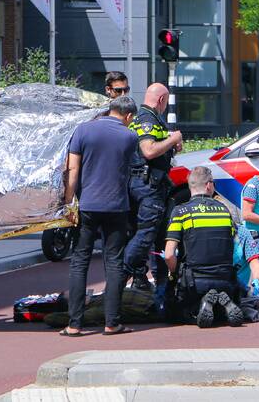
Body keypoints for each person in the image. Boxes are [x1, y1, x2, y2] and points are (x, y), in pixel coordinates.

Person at [61, 95, 139, 337]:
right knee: (113, 262)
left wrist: (68, 202)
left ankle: (74, 324)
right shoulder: (129, 136)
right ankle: (112, 323)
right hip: (117, 206)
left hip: (87, 205)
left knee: (79, 261)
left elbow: (72, 169)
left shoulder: (83, 130)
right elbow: (132, 167)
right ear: (128, 116)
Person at [164, 167, 244, 328]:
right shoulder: (223, 210)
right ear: (208, 185)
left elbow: (169, 254)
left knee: (170, 310)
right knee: (221, 306)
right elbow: (234, 245)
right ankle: (221, 306)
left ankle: (200, 305)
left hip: (194, 280)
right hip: (225, 278)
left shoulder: (181, 211)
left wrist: (173, 274)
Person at [124, 83, 183, 292]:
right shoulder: (147, 118)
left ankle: (162, 288)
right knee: (146, 235)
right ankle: (121, 274)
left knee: (158, 235)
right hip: (148, 186)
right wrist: (174, 138)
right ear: (161, 100)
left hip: (151, 185)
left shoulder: (148, 118)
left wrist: (169, 142)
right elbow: (148, 151)